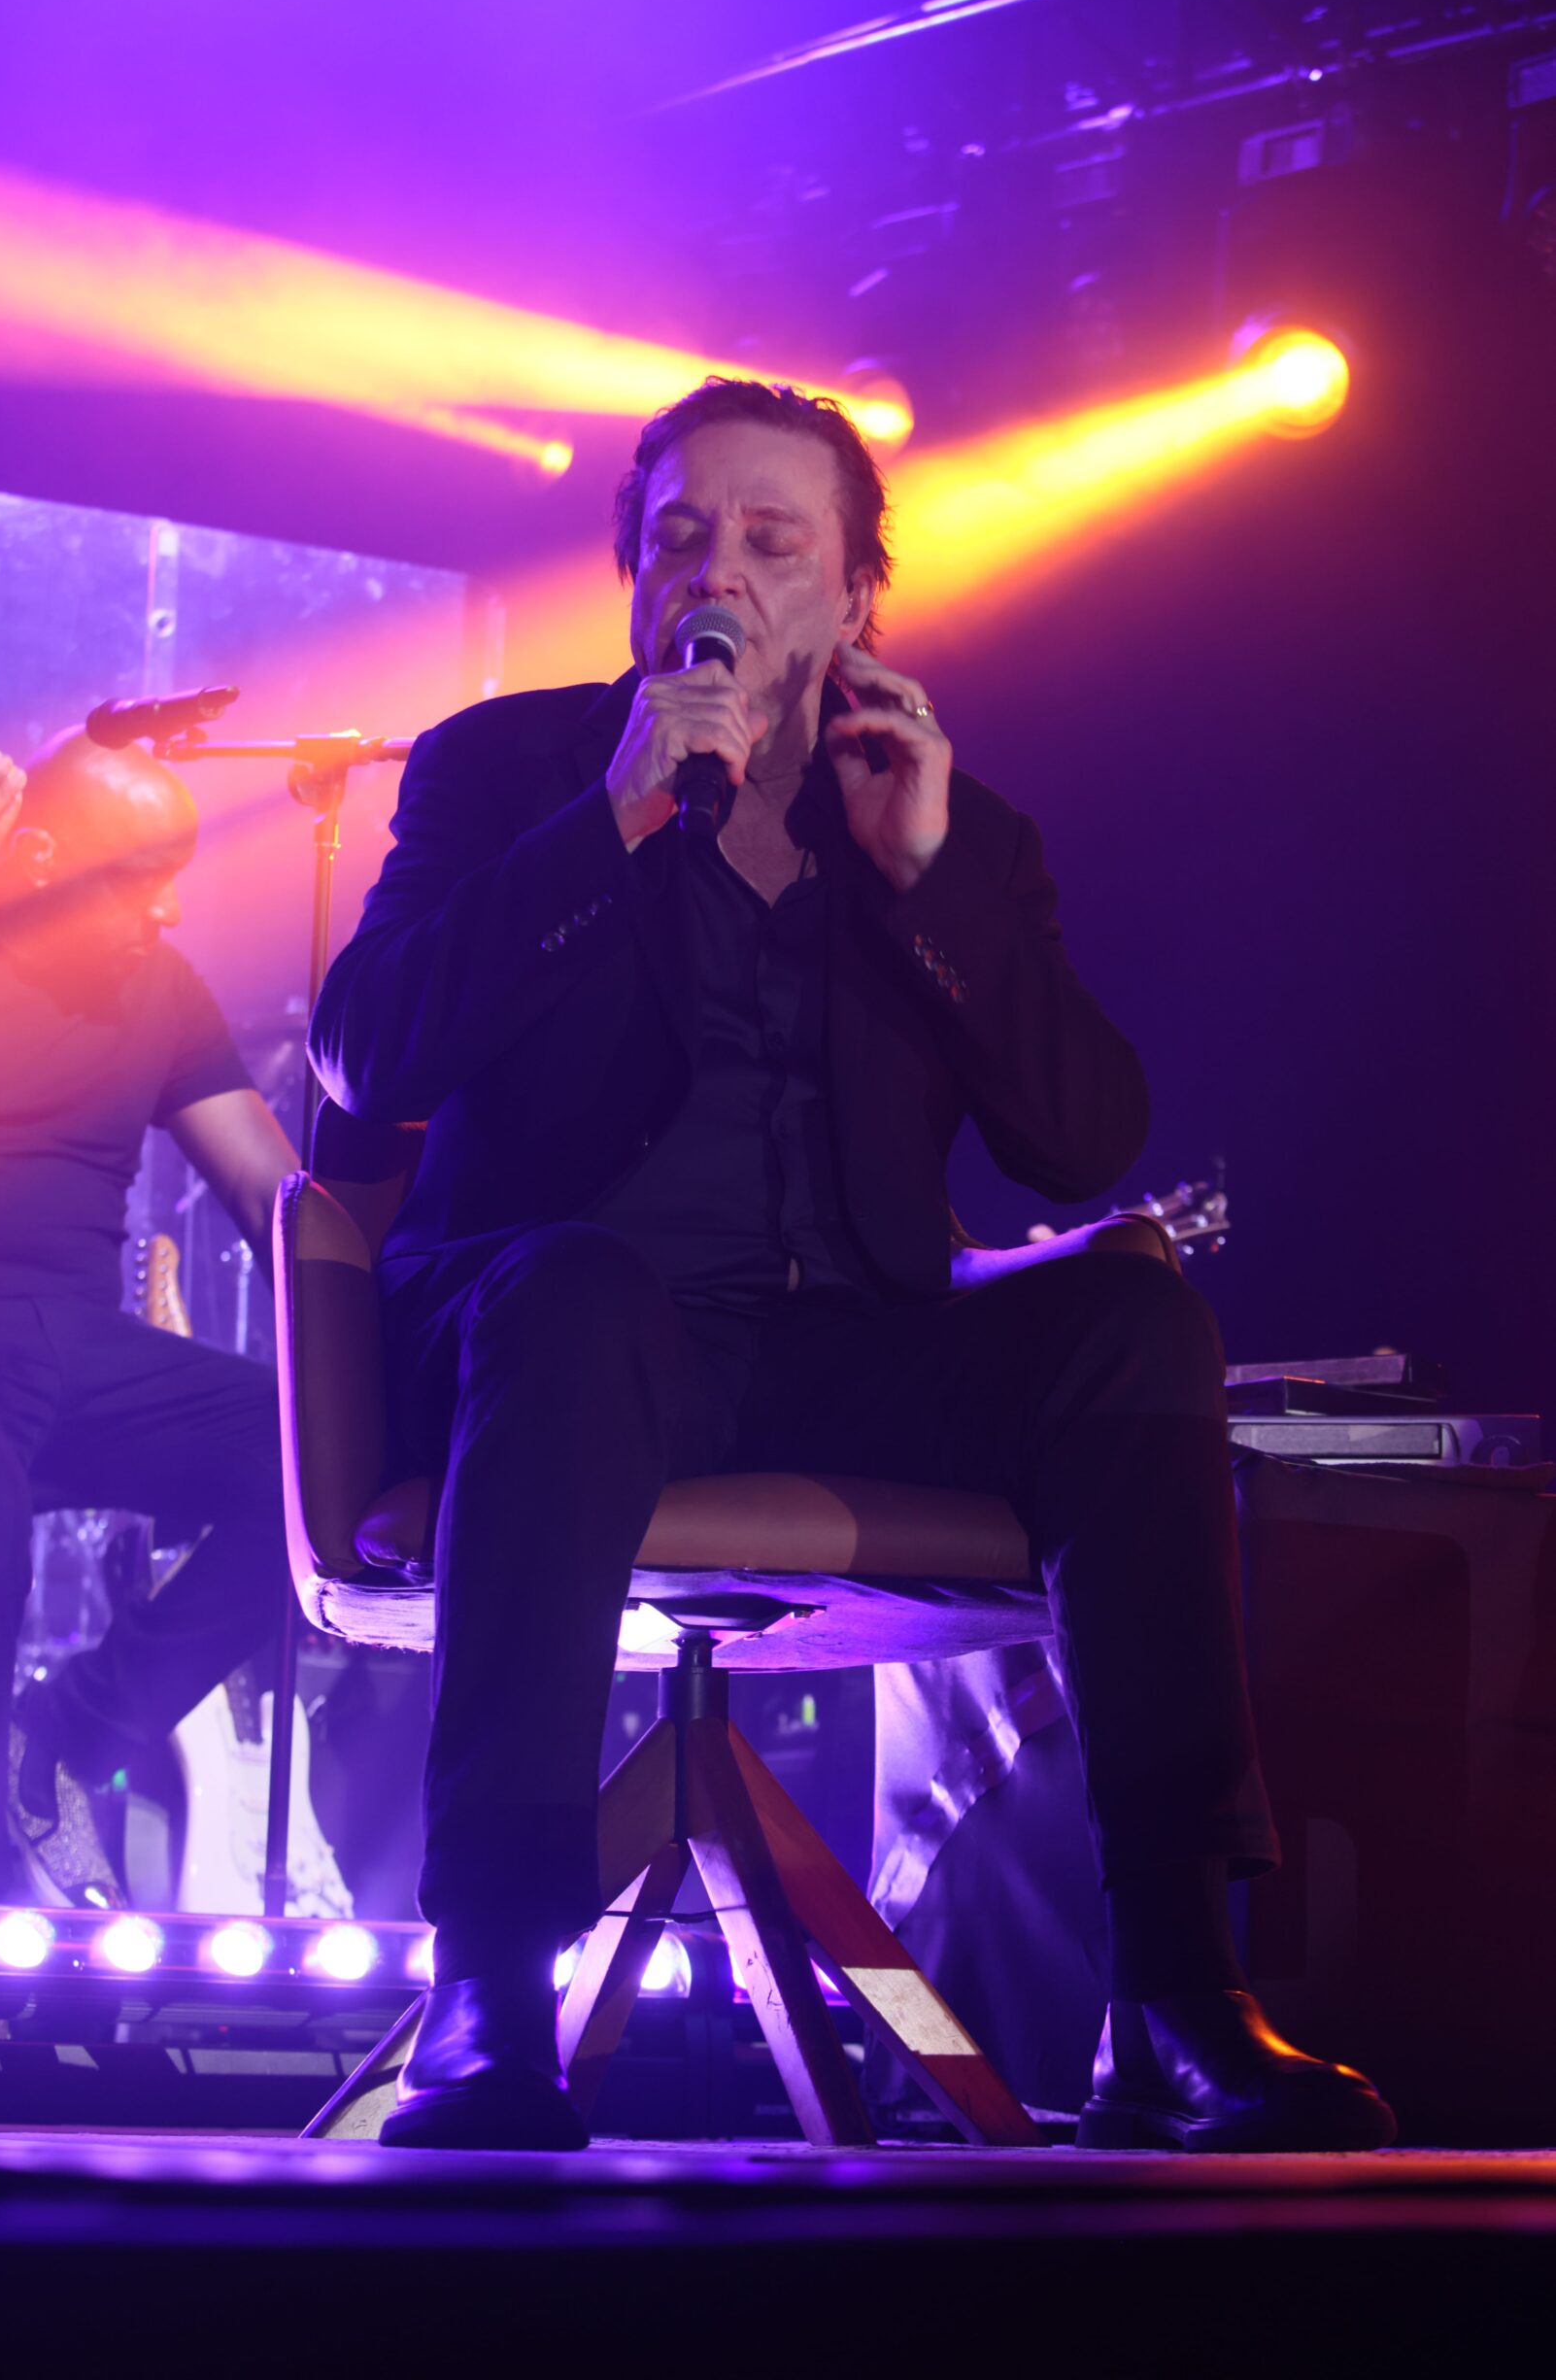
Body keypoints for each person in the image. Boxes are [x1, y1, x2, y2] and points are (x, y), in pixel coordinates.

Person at [311, 376, 1396, 2153]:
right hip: (571, 1342)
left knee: (1131, 1320)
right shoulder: (506, 771)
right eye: (677, 537)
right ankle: (490, 1982)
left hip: (846, 1347)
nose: (713, 574)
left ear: (853, 594)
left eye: (767, 539)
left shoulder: (952, 827)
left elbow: (1084, 1140)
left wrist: (930, 881)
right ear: (631, 575)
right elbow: (367, 1058)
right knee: (575, 1294)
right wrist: (609, 821)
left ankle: (1175, 1992)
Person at [0, 729, 296, 1907]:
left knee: (319, 1477)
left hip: (76, 1348)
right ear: (39, 860)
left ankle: (71, 1732)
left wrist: (376, 1334)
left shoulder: (161, 988)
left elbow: (267, 1192)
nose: (168, 909)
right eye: (140, 879)